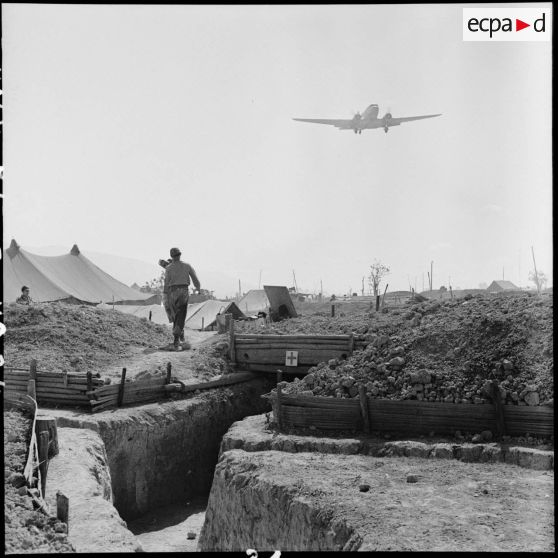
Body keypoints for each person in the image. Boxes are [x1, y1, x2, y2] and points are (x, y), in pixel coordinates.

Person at [163, 247, 201, 350]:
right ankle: (177, 338)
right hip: (183, 291)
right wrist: (198, 289)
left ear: (171, 256)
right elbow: (195, 280)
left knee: (176, 315)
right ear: (180, 255)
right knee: (181, 314)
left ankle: (178, 336)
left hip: (172, 292)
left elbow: (166, 283)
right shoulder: (187, 266)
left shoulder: (168, 268)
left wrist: (165, 296)